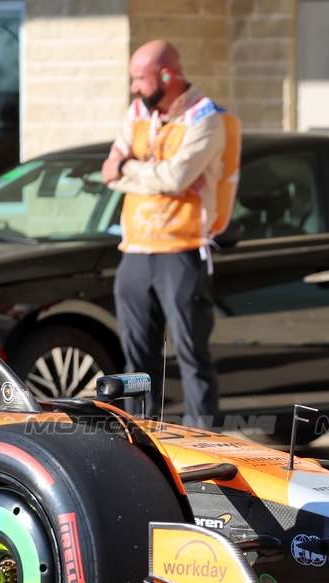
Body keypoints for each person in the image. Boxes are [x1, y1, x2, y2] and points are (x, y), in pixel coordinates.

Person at [102, 40, 240, 428]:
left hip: (183, 250)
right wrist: (144, 173)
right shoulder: (136, 112)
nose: (134, 88)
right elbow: (109, 172)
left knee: (192, 356)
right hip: (134, 251)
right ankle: (140, 441)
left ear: (166, 76)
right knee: (137, 362)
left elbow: (178, 177)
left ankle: (204, 443)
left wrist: (129, 168)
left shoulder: (206, 117)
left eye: (140, 79)